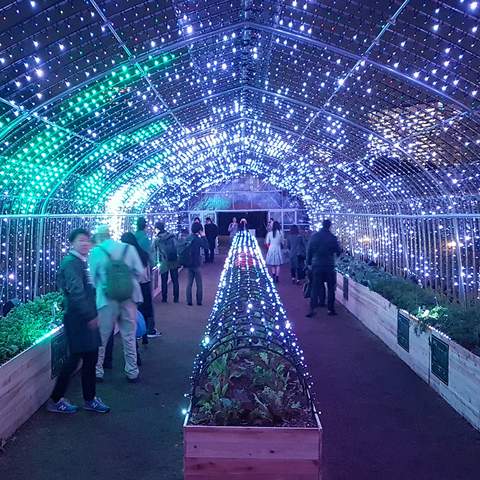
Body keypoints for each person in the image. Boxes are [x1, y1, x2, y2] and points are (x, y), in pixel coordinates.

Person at [47, 228, 110, 414]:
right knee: (73, 361)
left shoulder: (80, 262)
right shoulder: (71, 263)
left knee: (88, 359)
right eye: (80, 240)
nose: (85, 243)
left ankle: (89, 399)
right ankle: (56, 400)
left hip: (83, 317)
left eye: (87, 240)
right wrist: (90, 316)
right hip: (78, 319)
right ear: (72, 243)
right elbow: (76, 292)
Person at [89, 225, 144, 383]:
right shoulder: (128, 248)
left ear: (98, 237)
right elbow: (139, 272)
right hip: (129, 298)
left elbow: (93, 279)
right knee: (129, 335)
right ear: (110, 234)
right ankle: (132, 371)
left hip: (106, 300)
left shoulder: (96, 252)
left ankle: (97, 371)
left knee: (102, 337)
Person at [121, 232, 160, 345]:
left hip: (133, 286)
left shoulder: (126, 255)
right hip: (145, 285)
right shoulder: (142, 253)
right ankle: (147, 333)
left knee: (134, 312)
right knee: (146, 310)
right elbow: (150, 267)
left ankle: (137, 334)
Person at [306, 219, 342, 317]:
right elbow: (338, 251)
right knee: (331, 288)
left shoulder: (315, 237)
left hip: (316, 265)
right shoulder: (333, 238)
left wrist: (308, 263)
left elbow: (309, 250)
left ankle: (312, 309)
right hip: (329, 265)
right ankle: (331, 309)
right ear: (330, 226)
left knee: (315, 287)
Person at [153, 221, 180, 303]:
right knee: (175, 280)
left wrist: (154, 262)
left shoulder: (157, 239)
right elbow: (177, 247)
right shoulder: (172, 236)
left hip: (164, 262)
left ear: (157, 229)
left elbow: (153, 251)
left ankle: (164, 298)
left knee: (164, 281)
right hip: (173, 260)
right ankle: (176, 298)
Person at [186, 222, 209, 306]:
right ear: (199, 230)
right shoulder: (197, 239)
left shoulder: (188, 238)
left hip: (188, 263)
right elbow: (206, 246)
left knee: (189, 283)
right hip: (196, 263)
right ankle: (199, 301)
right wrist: (203, 236)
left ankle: (189, 301)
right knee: (199, 284)